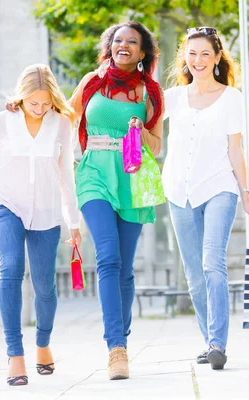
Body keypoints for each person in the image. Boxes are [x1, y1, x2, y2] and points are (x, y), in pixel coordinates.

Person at [0, 64, 81, 386]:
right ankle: (15, 354)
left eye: (46, 103)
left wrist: (73, 222)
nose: (40, 108)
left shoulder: (62, 124)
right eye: (33, 103)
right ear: (21, 98)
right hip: (6, 204)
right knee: (10, 268)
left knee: (45, 286)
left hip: (47, 213)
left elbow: (67, 176)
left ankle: (44, 344)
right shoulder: (1, 123)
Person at [68, 21, 164, 380]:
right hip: (93, 173)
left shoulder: (149, 92)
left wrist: (139, 132)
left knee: (124, 266)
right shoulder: (92, 81)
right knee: (106, 256)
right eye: (118, 40)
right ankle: (115, 348)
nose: (123, 45)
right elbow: (64, 116)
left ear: (142, 52)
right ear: (110, 46)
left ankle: (121, 337)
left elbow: (157, 144)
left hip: (132, 179)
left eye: (132, 42)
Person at [162, 27, 249, 370]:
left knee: (211, 263)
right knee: (193, 272)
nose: (198, 60)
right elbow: (144, 126)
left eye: (206, 53)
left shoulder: (232, 97)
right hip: (178, 190)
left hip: (219, 187)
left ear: (218, 57)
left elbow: (235, 149)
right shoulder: (171, 97)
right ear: (184, 57)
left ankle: (218, 342)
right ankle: (209, 340)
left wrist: (246, 195)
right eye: (192, 53)